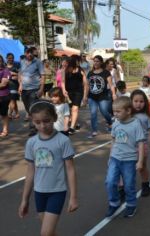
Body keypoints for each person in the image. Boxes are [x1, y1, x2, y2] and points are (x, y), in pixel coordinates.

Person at [18, 100, 78, 236]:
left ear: (55, 118)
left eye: (46, 121)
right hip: (39, 192)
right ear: (32, 121)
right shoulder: (31, 143)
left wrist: (73, 197)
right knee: (50, 233)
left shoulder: (63, 141)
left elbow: (70, 169)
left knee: (45, 233)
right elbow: (30, 172)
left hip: (57, 191)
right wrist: (24, 199)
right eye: (37, 122)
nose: (42, 125)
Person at [104, 97, 145, 218]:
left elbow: (141, 143)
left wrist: (140, 161)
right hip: (115, 159)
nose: (115, 114)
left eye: (118, 111)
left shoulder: (136, 124)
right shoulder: (116, 123)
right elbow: (113, 140)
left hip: (129, 160)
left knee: (128, 184)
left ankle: (131, 204)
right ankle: (114, 203)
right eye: (114, 111)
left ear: (128, 111)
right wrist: (110, 157)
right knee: (110, 182)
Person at [130, 89, 150, 197]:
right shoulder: (128, 115)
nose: (138, 104)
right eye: (135, 101)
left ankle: (145, 184)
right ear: (131, 102)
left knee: (142, 167)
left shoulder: (146, 117)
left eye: (141, 101)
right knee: (128, 167)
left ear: (145, 103)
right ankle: (123, 187)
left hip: (142, 146)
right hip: (129, 146)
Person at [87, 55, 116, 138]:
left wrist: (113, 94)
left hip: (103, 96)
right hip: (92, 97)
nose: (95, 63)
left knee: (104, 111)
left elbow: (111, 85)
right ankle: (94, 130)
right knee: (93, 113)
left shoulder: (106, 72)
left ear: (101, 62)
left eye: (97, 61)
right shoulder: (90, 73)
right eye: (94, 61)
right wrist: (85, 97)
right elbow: (87, 85)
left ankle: (110, 122)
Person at [19, 47, 45, 136]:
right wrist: (20, 85)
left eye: (31, 53)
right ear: (25, 53)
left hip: (34, 89)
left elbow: (43, 75)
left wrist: (41, 89)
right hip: (24, 90)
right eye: (27, 53)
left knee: (32, 108)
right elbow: (20, 74)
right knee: (28, 109)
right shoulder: (22, 62)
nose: (29, 54)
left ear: (33, 53)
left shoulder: (38, 62)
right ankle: (38, 123)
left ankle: (33, 129)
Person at [62, 56, 88, 135]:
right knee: (69, 110)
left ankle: (72, 127)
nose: (79, 62)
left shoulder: (81, 71)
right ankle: (76, 124)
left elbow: (86, 84)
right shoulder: (65, 70)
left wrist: (85, 96)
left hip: (78, 92)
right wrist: (63, 90)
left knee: (75, 109)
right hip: (68, 93)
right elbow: (63, 82)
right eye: (77, 61)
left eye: (79, 61)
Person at [6, 53, 21, 120]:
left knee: (12, 100)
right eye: (9, 58)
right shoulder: (4, 66)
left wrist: (15, 75)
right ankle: (17, 113)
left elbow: (21, 75)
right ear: (6, 58)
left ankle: (9, 114)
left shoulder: (16, 66)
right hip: (6, 86)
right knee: (13, 101)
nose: (10, 59)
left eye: (12, 58)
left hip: (14, 85)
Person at [0, 55, 11, 137]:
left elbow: (4, 84)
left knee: (4, 113)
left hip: (3, 95)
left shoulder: (5, 71)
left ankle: (5, 130)